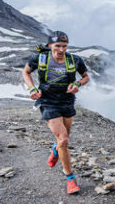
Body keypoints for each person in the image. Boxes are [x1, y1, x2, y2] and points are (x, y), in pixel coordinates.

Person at [22, 31, 90, 194]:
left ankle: (55, 149)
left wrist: (78, 84)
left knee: (63, 140)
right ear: (50, 45)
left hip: (67, 101)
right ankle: (70, 179)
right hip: (47, 101)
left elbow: (86, 76)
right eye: (57, 46)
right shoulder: (40, 58)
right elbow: (26, 72)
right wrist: (32, 88)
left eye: (64, 46)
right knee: (64, 139)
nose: (61, 50)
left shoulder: (74, 60)